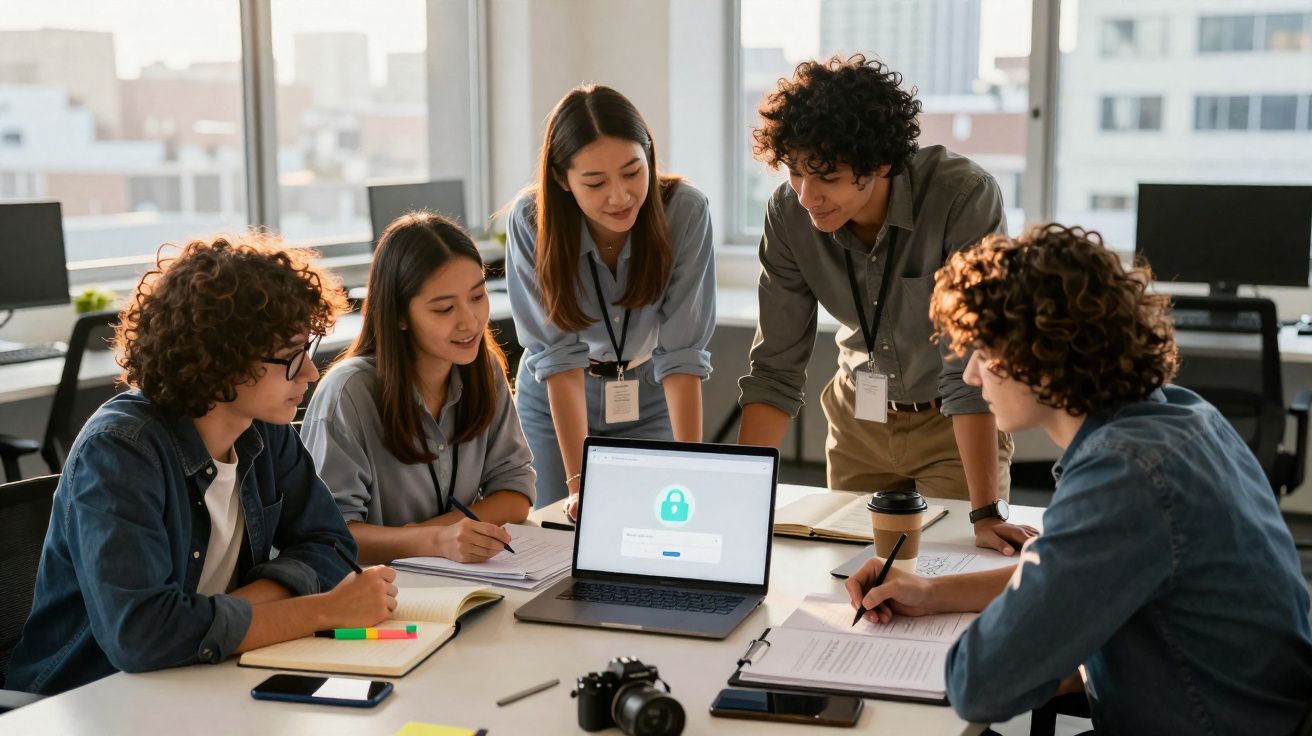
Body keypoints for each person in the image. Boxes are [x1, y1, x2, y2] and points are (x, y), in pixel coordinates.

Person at [844, 224, 1312, 733]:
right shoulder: (1181, 413)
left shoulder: (1123, 476)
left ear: (1042, 357)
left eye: (985, 352)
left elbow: (979, 684)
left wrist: (1056, 660)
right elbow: (1072, 580)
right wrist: (931, 592)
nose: (973, 376)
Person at [7, 234, 398, 696]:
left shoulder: (262, 429)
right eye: (291, 358)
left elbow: (331, 544)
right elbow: (142, 636)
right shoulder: (119, 452)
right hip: (89, 699)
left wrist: (231, 612)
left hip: (203, 678)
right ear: (222, 360)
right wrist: (323, 610)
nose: (311, 373)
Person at [737, 54, 1033, 554]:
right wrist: (739, 498)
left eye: (827, 176)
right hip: (859, 421)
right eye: (793, 172)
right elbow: (775, 367)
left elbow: (971, 361)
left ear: (878, 162)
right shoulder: (788, 214)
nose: (808, 196)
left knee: (955, 571)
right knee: (847, 577)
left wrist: (984, 514)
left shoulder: (961, 196)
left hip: (951, 424)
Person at [505, 84, 715, 513]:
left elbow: (682, 354)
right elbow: (558, 358)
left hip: (649, 391)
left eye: (633, 172)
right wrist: (578, 483)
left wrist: (690, 467)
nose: (619, 196)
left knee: (654, 523)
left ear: (649, 155)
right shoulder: (531, 220)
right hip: (554, 402)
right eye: (596, 182)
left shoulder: (684, 211)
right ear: (562, 179)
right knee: (561, 532)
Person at [302, 213, 535, 564]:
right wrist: (435, 541)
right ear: (398, 315)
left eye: (477, 296)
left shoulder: (483, 368)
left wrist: (445, 537)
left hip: (460, 581)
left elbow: (515, 493)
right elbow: (329, 537)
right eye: (444, 308)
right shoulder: (348, 393)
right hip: (372, 602)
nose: (470, 321)